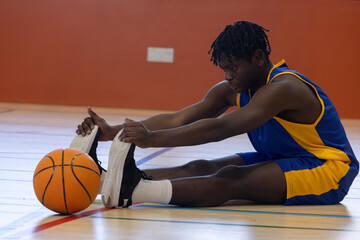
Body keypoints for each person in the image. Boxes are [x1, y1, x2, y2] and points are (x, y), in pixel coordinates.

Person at [76, 21, 358, 208]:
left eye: (233, 67)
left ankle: (133, 192)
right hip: (282, 158)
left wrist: (151, 139)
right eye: (223, 68)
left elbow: (220, 129)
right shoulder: (234, 87)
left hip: (328, 169)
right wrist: (113, 131)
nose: (227, 76)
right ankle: (107, 182)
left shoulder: (284, 88)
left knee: (232, 178)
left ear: (258, 58)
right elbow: (180, 118)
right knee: (199, 167)